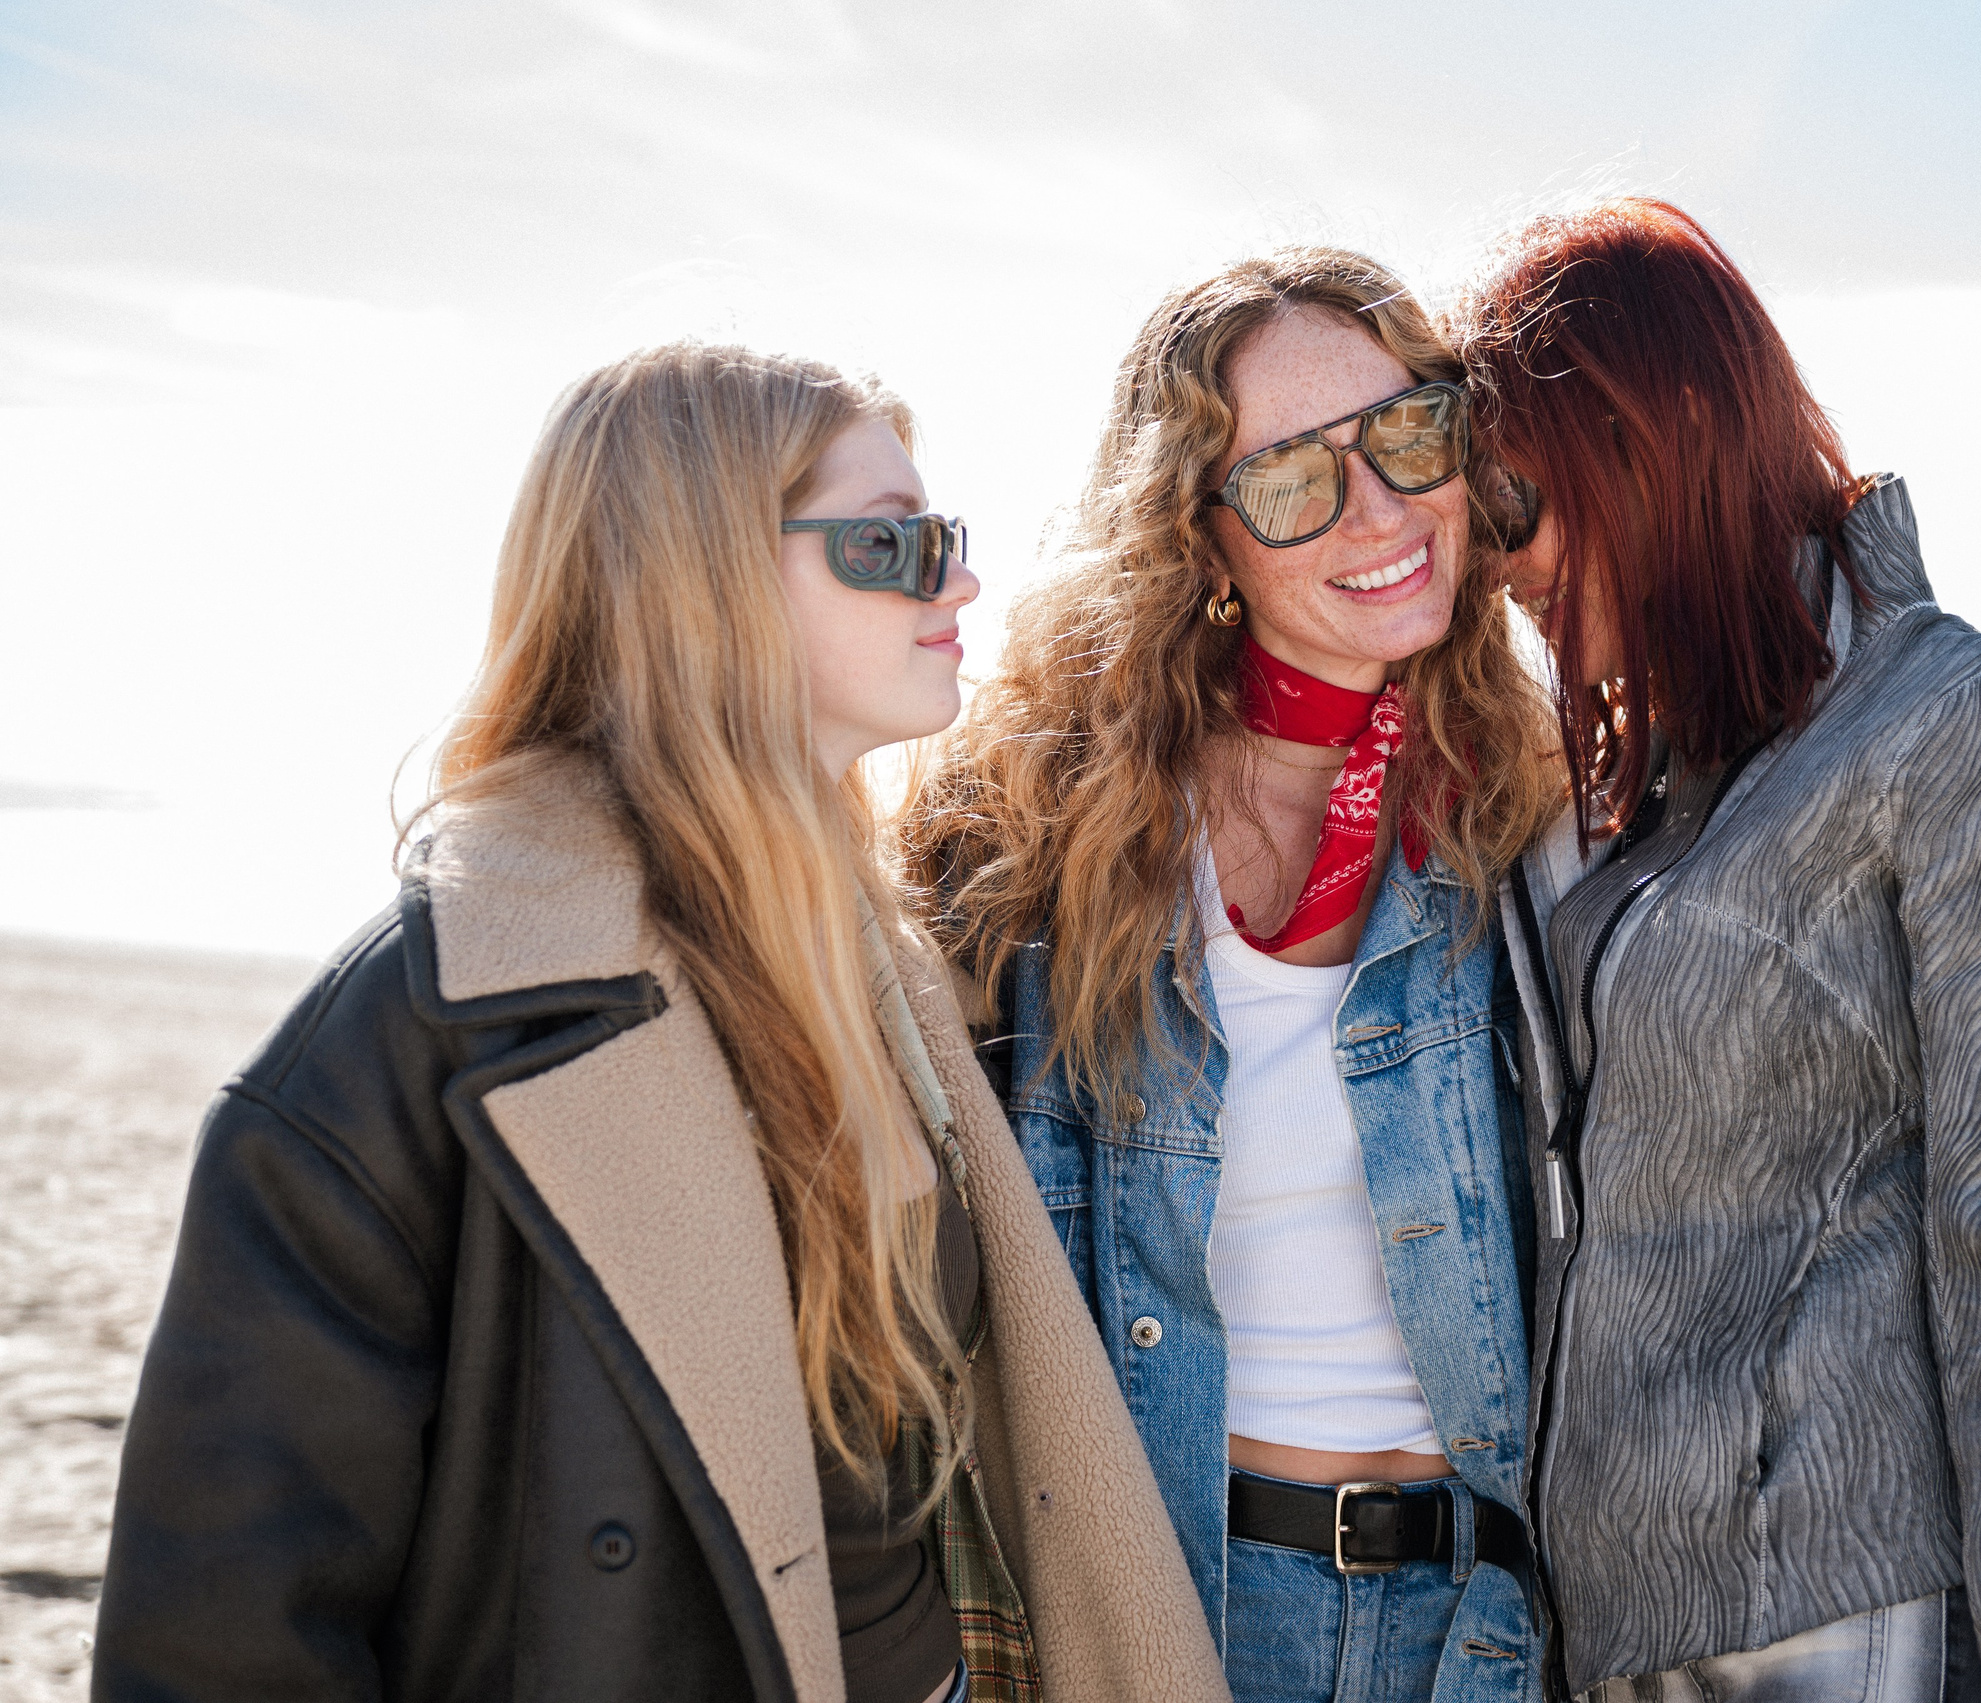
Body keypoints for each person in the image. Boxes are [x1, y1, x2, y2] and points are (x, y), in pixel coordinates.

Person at [92, 343, 1228, 1703]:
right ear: (701, 579)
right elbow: (223, 1642)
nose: (956, 582)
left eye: (947, 540)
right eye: (889, 545)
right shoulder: (420, 1031)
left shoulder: (883, 966)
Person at [1454, 199, 1981, 1702]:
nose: (1497, 562)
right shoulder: (1621, 784)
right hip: (1610, 1625)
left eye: (1516, 500)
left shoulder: (1964, 727)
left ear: (1661, 434)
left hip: (1840, 1618)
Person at [901, 250, 1558, 1703]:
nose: (1377, 510)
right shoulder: (1044, 839)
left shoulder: (1540, 815)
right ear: (1199, 538)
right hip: (1183, 1611)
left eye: (1409, 434)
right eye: (1289, 479)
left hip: (1492, 1629)